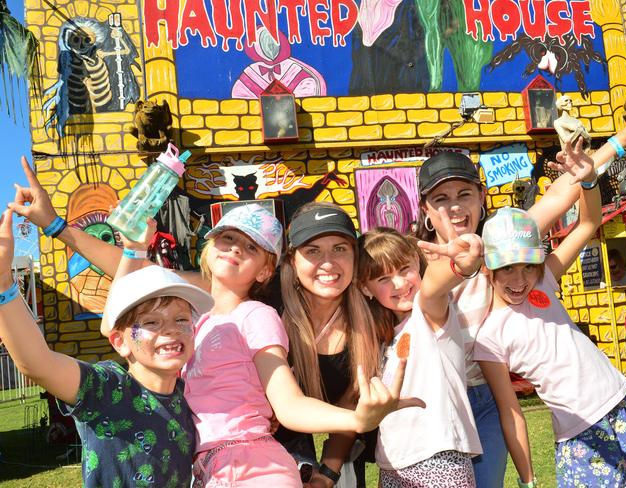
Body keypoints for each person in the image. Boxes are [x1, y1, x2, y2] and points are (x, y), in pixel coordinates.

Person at [414, 78, 626, 488]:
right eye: (441, 199)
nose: (455, 207)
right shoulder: (417, 263)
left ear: (481, 197)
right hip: (441, 400)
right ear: (426, 209)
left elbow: (567, 191)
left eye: (464, 194)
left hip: (489, 397)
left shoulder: (504, 245)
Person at [124, 203, 423, 486]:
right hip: (214, 464)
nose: (236, 248)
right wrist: (132, 249)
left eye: (251, 246)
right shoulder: (195, 321)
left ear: (266, 269)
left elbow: (288, 402)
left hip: (252, 465)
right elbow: (122, 321)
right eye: (227, 237)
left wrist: (354, 426)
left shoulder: (257, 315)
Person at [0, 208, 215, 486]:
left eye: (181, 319)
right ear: (120, 341)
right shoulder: (106, 388)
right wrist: (5, 284)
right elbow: (37, 364)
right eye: (151, 322)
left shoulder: (192, 397)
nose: (171, 329)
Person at [474, 151, 626, 487]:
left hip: (617, 401)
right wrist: (527, 479)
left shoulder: (544, 280)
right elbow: (511, 412)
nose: (519, 278)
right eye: (507, 267)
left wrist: (588, 181)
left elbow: (588, 222)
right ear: (488, 268)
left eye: (527, 265)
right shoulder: (488, 337)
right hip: (577, 431)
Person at [358, 222, 483, 487]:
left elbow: (433, 287)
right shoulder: (381, 340)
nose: (400, 283)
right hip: (392, 465)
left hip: (440, 458)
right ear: (365, 288)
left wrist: (459, 265)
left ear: (417, 261)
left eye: (405, 269)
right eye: (383, 278)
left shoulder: (429, 313)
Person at [278, 201, 386, 487]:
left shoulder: (372, 319)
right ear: (292, 260)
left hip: (344, 452)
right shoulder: (269, 309)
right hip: (272, 459)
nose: (328, 263)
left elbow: (353, 402)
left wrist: (327, 473)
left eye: (340, 248)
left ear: (355, 257)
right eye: (313, 250)